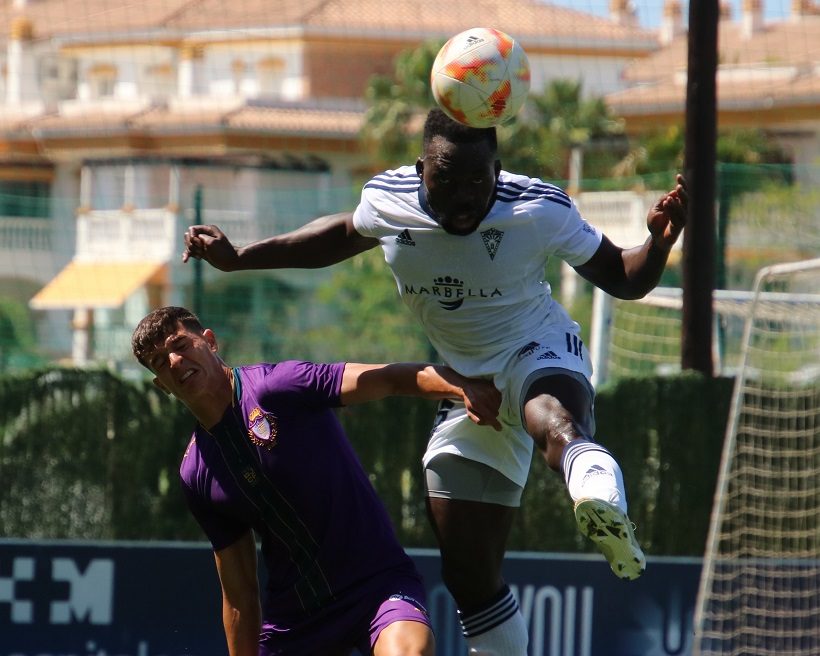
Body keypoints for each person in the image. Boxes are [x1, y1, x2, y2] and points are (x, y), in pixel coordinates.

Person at [182, 107, 688, 655]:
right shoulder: (389, 199)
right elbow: (335, 237)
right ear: (422, 168)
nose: (466, 194)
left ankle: (596, 494)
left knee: (553, 421)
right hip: (462, 381)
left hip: (537, 349)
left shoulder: (537, 207)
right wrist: (239, 258)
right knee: (468, 574)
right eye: (448, 179)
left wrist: (658, 244)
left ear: (498, 171)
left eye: (479, 179)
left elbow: (625, 278)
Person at [131, 305, 503, 656]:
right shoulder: (197, 472)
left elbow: (389, 378)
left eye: (180, 346)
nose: (175, 362)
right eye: (161, 363)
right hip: (297, 621)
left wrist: (462, 388)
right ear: (162, 385)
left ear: (210, 342)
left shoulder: (279, 386)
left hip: (378, 585)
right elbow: (240, 594)